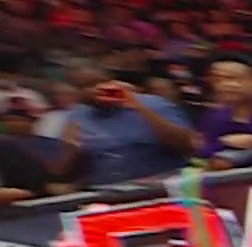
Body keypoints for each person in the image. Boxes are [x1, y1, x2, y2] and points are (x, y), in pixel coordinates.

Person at [55, 63, 197, 185]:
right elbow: (65, 172)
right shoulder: (77, 116)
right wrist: (71, 151)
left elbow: (187, 145)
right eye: (81, 87)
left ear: (112, 82)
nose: (92, 90)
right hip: (109, 191)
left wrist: (139, 107)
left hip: (163, 184)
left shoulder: (154, 104)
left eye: (95, 83)